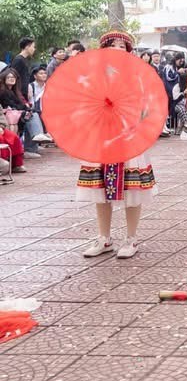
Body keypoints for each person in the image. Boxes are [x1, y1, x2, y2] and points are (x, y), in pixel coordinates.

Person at [78, 29, 157, 259]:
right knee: (100, 188)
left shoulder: (136, 74)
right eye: (112, 45)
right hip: (102, 135)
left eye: (122, 46)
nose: (118, 49)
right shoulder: (94, 76)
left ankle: (131, 239)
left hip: (128, 136)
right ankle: (104, 238)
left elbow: (145, 106)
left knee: (133, 188)